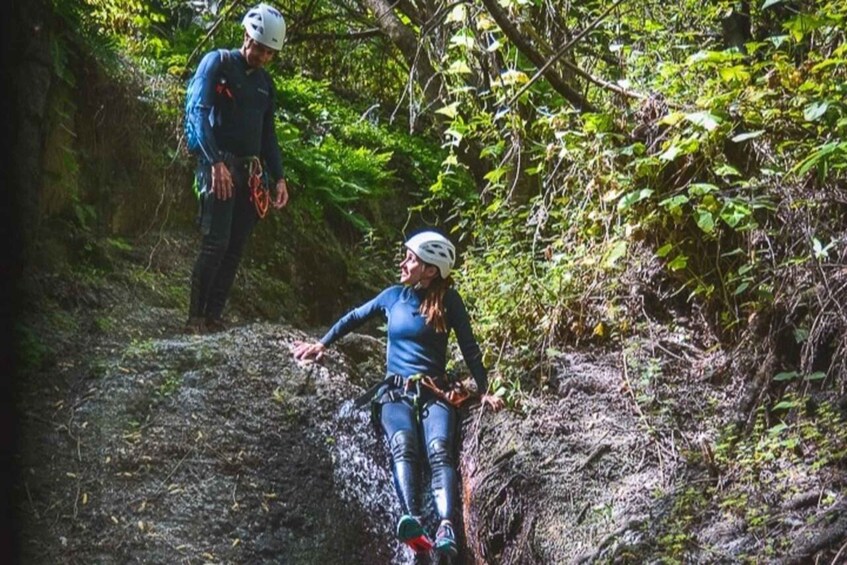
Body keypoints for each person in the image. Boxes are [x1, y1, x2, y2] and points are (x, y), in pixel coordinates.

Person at [293, 230, 505, 558]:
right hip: (394, 393)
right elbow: (354, 317)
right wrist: (321, 343)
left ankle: (446, 526)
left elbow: (469, 346)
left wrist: (486, 391)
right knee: (403, 445)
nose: (404, 263)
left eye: (411, 258)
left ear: (431, 269)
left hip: (435, 393)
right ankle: (413, 522)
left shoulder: (449, 300)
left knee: (439, 450)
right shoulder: (393, 296)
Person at [183, 3, 289, 334]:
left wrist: (279, 177)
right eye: (258, 47)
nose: (261, 56)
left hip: (250, 172)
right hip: (219, 164)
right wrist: (214, 161)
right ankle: (194, 318)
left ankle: (214, 316)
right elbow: (198, 113)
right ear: (246, 36)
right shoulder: (218, 62)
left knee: (234, 247)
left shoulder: (265, 85)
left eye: (268, 52)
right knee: (215, 242)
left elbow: (267, 134)